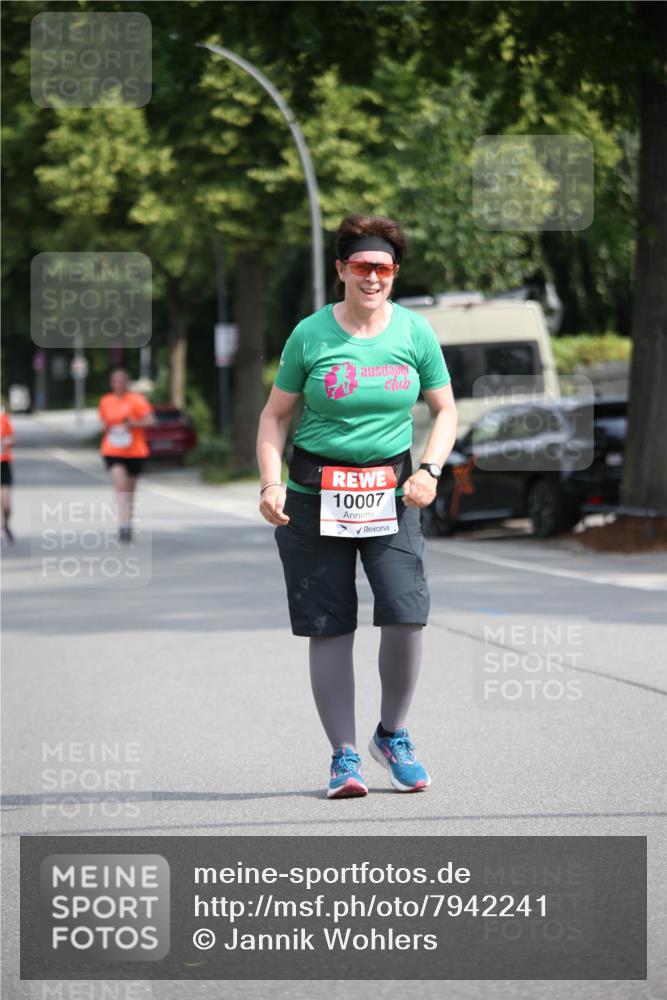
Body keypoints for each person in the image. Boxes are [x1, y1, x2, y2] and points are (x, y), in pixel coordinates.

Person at [257, 214, 458, 798]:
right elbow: (274, 417)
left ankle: (391, 734)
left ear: (394, 275)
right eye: (363, 267)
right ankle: (344, 757)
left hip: (391, 494)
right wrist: (271, 484)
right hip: (313, 494)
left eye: (385, 269)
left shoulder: (415, 333)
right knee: (330, 624)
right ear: (342, 270)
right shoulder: (310, 335)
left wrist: (429, 470)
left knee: (405, 610)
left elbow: (445, 411)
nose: (374, 277)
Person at [98, 368, 155, 542]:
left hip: (135, 450)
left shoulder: (137, 400)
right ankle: (122, 524)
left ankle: (128, 522)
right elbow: (103, 423)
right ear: (112, 383)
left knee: (130, 489)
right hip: (113, 449)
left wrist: (133, 423)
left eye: (122, 381)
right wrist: (109, 427)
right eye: (115, 381)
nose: (119, 384)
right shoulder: (106, 401)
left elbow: (151, 421)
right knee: (120, 485)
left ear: (127, 383)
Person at [1, 403, 16, 544]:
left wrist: (6, 441)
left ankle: (5, 525)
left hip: (3, 464)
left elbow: (12, 438)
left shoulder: (3, 419)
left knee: (6, 504)